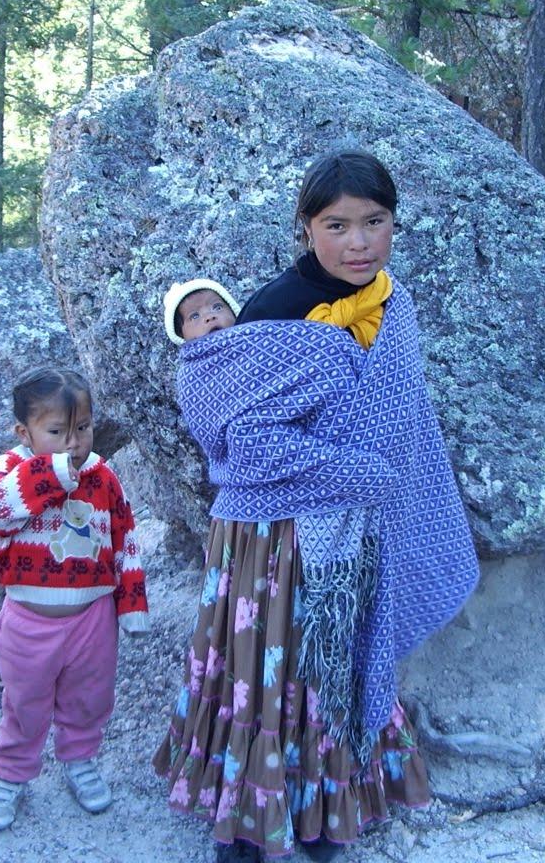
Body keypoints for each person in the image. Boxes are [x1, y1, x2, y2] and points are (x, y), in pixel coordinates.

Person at [154, 149, 480, 862]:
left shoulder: (395, 304)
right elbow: (243, 438)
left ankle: (321, 807)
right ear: (307, 228)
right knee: (268, 670)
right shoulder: (273, 309)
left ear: (394, 223)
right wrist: (358, 469)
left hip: (353, 531)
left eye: (374, 221)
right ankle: (247, 818)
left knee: (332, 663)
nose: (358, 242)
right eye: (337, 225)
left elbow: (402, 416)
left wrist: (381, 476)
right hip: (271, 535)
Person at [0, 367, 149, 830]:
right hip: (28, 619)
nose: (73, 443)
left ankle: (79, 758)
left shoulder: (103, 476)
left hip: (92, 616)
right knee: (24, 701)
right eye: (57, 432)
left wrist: (132, 603)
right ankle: (11, 775)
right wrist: (51, 471)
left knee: (88, 697)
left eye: (83, 428)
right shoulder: (11, 471)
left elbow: (124, 538)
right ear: (24, 432)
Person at [163, 278, 242, 344]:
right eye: (195, 316)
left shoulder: (251, 336)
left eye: (218, 308)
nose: (209, 316)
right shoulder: (193, 361)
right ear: (181, 334)